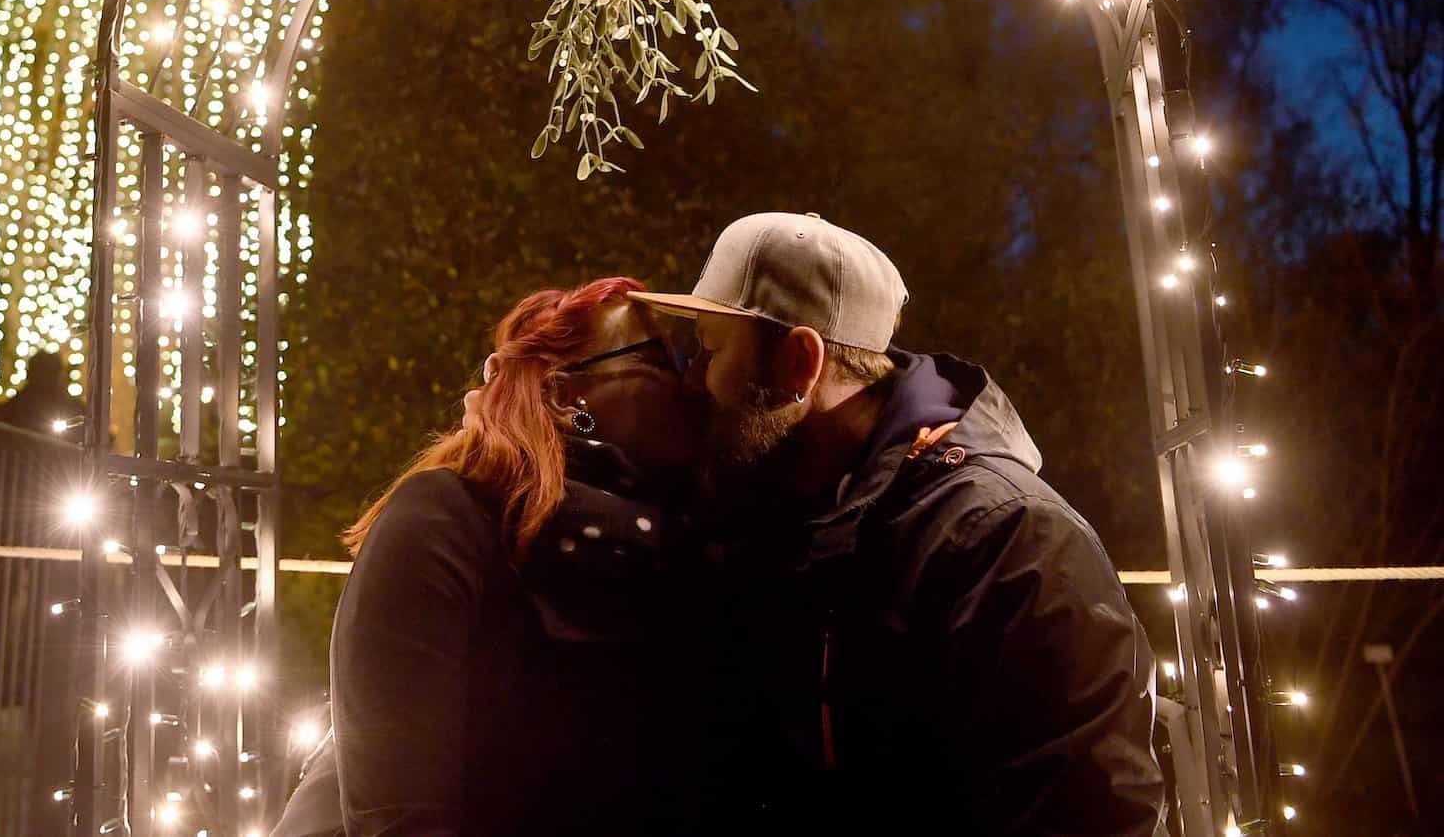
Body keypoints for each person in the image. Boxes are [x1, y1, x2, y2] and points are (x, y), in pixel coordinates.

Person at [628, 212, 1164, 837]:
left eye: (711, 350)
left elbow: (1087, 813)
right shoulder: (784, 508)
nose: (692, 378)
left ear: (800, 364)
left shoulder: (1009, 540)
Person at [278, 277, 710, 837]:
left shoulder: (669, 543)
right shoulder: (441, 521)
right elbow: (398, 818)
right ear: (567, 394)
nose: (684, 378)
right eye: (656, 356)